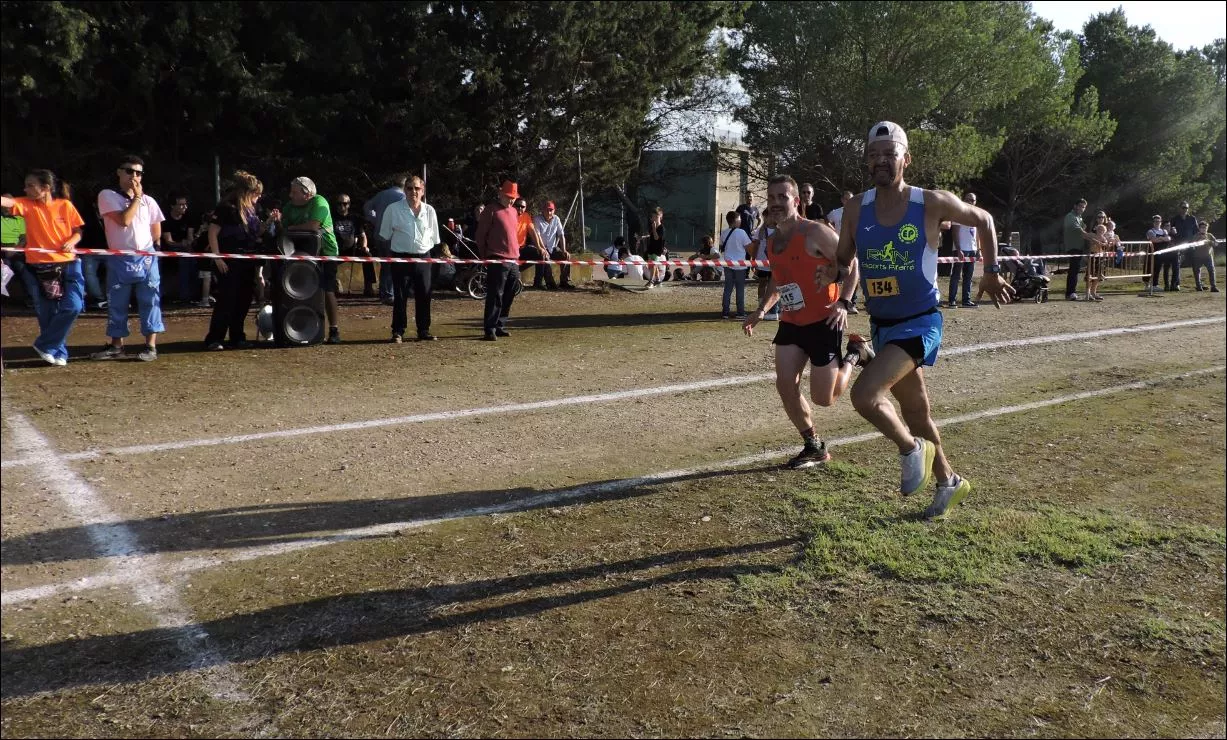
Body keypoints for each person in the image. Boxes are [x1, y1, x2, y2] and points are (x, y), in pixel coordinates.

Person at [831, 121, 1014, 519]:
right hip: (883, 325)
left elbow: (983, 220)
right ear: (867, 160)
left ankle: (912, 449)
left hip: (920, 323)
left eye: (889, 154)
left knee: (865, 396)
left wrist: (990, 269)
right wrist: (827, 270)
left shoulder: (930, 202)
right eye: (874, 155)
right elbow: (844, 258)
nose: (881, 161)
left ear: (905, 159)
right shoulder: (854, 208)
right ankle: (949, 481)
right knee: (916, 412)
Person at [743, 174, 868, 469]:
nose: (775, 203)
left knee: (824, 398)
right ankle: (813, 444)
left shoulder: (815, 232)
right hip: (791, 322)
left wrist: (844, 302)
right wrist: (762, 310)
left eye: (782, 198)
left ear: (796, 201)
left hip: (824, 320)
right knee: (785, 385)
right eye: (771, 198)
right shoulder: (773, 243)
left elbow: (852, 265)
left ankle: (855, 354)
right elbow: (779, 279)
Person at [1, 171, 86, 366]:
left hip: (69, 263)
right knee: (47, 312)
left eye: (30, 185)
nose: (25, 189)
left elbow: (78, 231)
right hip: (39, 267)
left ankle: (46, 345)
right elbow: (7, 202)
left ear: (46, 187)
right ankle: (59, 351)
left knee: (74, 306)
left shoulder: (65, 205)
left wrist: (72, 241)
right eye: (25, 185)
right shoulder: (25, 204)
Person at [91, 155, 166, 362]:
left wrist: (146, 247)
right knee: (117, 301)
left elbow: (156, 231)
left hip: (146, 256)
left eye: (139, 173)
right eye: (129, 171)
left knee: (150, 299)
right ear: (119, 172)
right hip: (120, 256)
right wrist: (136, 198)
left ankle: (150, 346)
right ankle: (116, 345)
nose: (134, 176)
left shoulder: (149, 201)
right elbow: (124, 220)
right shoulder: (108, 195)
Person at [203, 171, 275, 350]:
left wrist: (269, 222)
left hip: (247, 260)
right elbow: (213, 232)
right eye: (256, 194)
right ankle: (215, 338)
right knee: (226, 300)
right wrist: (218, 257)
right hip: (229, 260)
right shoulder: (227, 207)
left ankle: (237, 336)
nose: (258, 198)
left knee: (243, 300)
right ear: (246, 192)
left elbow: (256, 233)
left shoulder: (253, 210)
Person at [274, 176, 341, 344]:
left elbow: (313, 226)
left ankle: (334, 329)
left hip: (325, 252)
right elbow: (283, 231)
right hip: (297, 253)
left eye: (294, 192)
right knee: (298, 290)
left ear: (307, 194)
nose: (290, 195)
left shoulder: (320, 202)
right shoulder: (290, 207)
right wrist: (277, 222)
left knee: (327, 290)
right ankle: (299, 328)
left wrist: (291, 228)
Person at [379, 175, 439, 342]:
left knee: (424, 295)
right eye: (410, 188)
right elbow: (384, 235)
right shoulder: (392, 209)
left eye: (417, 188)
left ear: (423, 191)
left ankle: (424, 330)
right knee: (399, 296)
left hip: (424, 258)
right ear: (404, 190)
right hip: (401, 258)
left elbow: (434, 239)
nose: (413, 191)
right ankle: (398, 331)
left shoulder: (430, 211)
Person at [476, 180, 522, 341]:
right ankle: (489, 328)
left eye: (513, 197)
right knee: (495, 294)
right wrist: (484, 256)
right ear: (500, 194)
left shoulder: (514, 212)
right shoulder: (491, 210)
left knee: (510, 292)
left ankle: (500, 324)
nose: (511, 200)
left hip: (513, 258)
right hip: (497, 258)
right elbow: (481, 235)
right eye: (509, 196)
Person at [364, 174, 407, 304]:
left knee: (385, 264)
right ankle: (388, 294)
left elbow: (367, 207)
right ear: (405, 186)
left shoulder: (381, 194)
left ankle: (384, 293)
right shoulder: (402, 197)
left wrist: (375, 220)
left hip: (379, 234)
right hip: (393, 235)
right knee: (392, 265)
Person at [825, 190, 859, 313]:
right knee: (840, 272)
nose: (848, 201)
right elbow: (826, 221)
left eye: (851, 199)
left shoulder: (857, 211)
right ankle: (836, 299)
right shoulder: (836, 213)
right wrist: (832, 231)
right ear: (842, 200)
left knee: (854, 271)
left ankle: (851, 302)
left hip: (854, 244)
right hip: (839, 245)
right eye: (846, 199)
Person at [161, 192, 196, 303]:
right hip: (167, 251)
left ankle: (193, 295)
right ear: (172, 206)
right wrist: (182, 244)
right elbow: (169, 241)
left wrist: (188, 243)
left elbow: (190, 238)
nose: (185, 207)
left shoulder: (189, 217)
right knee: (183, 261)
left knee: (192, 261)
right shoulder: (165, 219)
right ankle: (182, 296)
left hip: (185, 250)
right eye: (181, 204)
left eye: (185, 204)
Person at [946, 192, 980, 308]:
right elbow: (955, 232)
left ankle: (966, 300)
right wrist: (958, 248)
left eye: (972, 200)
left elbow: (977, 235)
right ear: (963, 200)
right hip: (961, 249)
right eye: (968, 199)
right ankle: (952, 300)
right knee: (956, 275)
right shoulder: (958, 214)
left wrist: (978, 249)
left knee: (968, 276)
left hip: (972, 249)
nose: (970, 202)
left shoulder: (976, 215)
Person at [331, 193, 369, 295]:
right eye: (339, 204)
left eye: (344, 203)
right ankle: (333, 284)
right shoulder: (331, 218)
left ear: (349, 204)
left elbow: (363, 236)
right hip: (336, 250)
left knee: (367, 256)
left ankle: (369, 286)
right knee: (327, 261)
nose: (342, 206)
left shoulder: (354, 218)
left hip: (352, 249)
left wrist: (364, 246)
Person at [718, 210, 752, 319]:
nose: (741, 221)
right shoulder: (741, 232)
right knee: (740, 289)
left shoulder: (723, 232)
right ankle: (740, 312)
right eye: (740, 219)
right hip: (740, 265)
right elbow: (748, 247)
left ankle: (725, 312)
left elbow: (721, 246)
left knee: (728, 289)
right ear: (736, 220)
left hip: (727, 264)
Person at [534, 200, 574, 290]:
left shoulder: (556, 219)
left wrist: (564, 250)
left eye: (551, 210)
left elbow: (561, 235)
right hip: (541, 247)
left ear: (554, 210)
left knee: (566, 256)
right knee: (546, 258)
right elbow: (538, 235)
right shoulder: (537, 219)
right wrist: (543, 249)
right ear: (542, 210)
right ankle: (550, 283)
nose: (549, 212)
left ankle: (564, 281)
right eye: (547, 210)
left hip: (553, 248)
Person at [1061, 198, 1095, 301]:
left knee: (1075, 270)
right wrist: (1095, 239)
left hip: (1079, 246)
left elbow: (1084, 231)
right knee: (1073, 269)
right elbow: (1080, 232)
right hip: (1073, 246)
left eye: (1084, 207)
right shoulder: (1070, 217)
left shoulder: (1079, 218)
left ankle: (1072, 292)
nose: (1082, 208)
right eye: (1080, 206)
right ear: (1075, 206)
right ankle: (1070, 293)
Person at [752, 210, 780, 320]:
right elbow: (756, 246)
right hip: (762, 262)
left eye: (767, 217)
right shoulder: (760, 231)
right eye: (764, 217)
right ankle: (761, 306)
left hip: (774, 263)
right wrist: (753, 260)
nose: (766, 219)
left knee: (774, 285)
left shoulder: (779, 230)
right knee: (762, 284)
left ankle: (774, 309)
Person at [1169, 201, 1198, 292]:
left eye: (1186, 208)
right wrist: (1171, 233)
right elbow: (1169, 232)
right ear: (1179, 208)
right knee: (1176, 265)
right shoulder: (1174, 219)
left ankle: (1199, 284)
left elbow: (1196, 231)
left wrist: (1195, 241)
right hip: (1178, 244)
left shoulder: (1192, 219)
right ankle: (1175, 284)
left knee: (1196, 264)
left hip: (1190, 244)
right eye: (1183, 207)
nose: (1185, 209)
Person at [1084, 210, 1109, 302]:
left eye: (1102, 217)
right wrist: (1094, 239)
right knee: (1090, 273)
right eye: (1099, 217)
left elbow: (1109, 240)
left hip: (1102, 254)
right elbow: (1085, 236)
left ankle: (1094, 292)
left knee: (1098, 274)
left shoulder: (1108, 228)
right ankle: (1088, 293)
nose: (1101, 219)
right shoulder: (1093, 229)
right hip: (1093, 254)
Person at [1145, 215, 1172, 293]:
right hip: (1153, 253)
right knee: (1150, 268)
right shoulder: (1150, 231)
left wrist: (1160, 238)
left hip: (1161, 254)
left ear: (1161, 222)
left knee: (1158, 269)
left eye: (1158, 221)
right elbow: (1153, 240)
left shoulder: (1164, 231)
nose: (1157, 223)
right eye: (1155, 221)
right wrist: (1163, 239)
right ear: (1153, 222)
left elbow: (1168, 238)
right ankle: (1147, 285)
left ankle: (1155, 285)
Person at [1192, 220, 1219, 292]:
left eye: (1205, 227)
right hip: (1198, 257)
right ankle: (1198, 286)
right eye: (1202, 227)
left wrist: (1210, 242)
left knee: (1212, 271)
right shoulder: (1196, 236)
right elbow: (1193, 245)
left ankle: (1213, 286)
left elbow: (1216, 244)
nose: (1204, 229)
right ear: (1199, 228)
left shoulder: (1210, 235)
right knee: (1197, 271)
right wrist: (1200, 240)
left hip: (1208, 257)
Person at [643, 206, 667, 287]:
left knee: (653, 265)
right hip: (651, 248)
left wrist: (654, 228)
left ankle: (651, 281)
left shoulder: (661, 228)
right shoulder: (652, 226)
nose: (655, 218)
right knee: (652, 265)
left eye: (657, 217)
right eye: (653, 217)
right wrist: (641, 237)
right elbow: (650, 235)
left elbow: (656, 237)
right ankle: (658, 280)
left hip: (658, 250)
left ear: (661, 217)